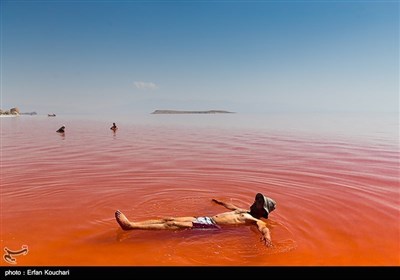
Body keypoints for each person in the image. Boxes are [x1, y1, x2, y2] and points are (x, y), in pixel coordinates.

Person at [115, 193, 276, 247]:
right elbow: (231, 206)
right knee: (168, 219)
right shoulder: (243, 211)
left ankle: (130, 226)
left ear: (263, 210)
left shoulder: (255, 219)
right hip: (205, 220)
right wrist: (219, 202)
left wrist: (267, 236)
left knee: (171, 224)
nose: (255, 201)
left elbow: (264, 228)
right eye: (257, 199)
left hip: (210, 226)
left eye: (259, 202)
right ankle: (131, 225)